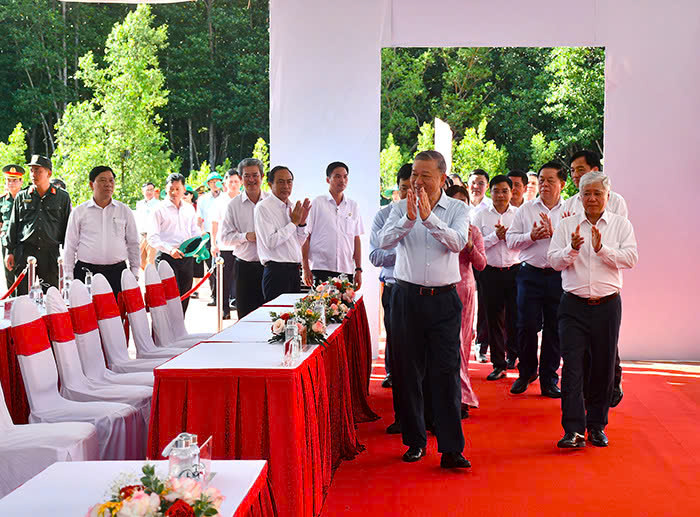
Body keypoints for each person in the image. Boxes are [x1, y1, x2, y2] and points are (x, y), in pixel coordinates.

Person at [380, 150, 471, 469]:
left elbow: (457, 242)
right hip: (406, 297)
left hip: (445, 300)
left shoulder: (458, 208)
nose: (417, 181)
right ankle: (415, 441)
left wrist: (429, 216)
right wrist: (408, 218)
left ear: (442, 179)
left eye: (425, 176)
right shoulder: (397, 207)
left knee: (446, 372)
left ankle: (451, 448)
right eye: (414, 175)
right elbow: (383, 243)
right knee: (407, 372)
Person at [549, 171, 638, 448]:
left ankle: (597, 425)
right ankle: (573, 430)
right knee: (573, 368)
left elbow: (631, 258)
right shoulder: (567, 226)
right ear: (579, 197)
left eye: (597, 193)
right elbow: (553, 260)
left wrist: (602, 249)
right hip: (572, 305)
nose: (591, 199)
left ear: (607, 196)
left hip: (607, 305)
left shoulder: (621, 225)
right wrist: (571, 250)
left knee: (603, 366)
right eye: (586, 193)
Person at [563, 150, 628, 407]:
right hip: (575, 285)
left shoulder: (616, 202)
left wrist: (601, 247)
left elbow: (620, 243)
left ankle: (610, 388)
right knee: (578, 355)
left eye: (580, 169)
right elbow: (562, 241)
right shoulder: (569, 204)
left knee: (606, 352)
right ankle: (580, 412)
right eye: (573, 171)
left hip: (604, 283)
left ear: (595, 170)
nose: (576, 175)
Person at [506, 162, 567, 398]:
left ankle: (549, 379)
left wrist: (555, 235)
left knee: (555, 328)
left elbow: (576, 244)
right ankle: (527, 372)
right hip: (529, 274)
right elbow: (511, 241)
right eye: (541, 179)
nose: (544, 184)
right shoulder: (526, 209)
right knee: (526, 325)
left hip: (559, 275)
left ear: (562, 184)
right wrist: (531, 236)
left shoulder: (571, 210)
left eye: (550, 180)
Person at [369, 163, 411, 432]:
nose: (410, 193)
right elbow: (376, 256)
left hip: (424, 290)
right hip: (395, 287)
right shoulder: (384, 216)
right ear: (398, 189)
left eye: (415, 187)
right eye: (405, 187)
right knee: (398, 347)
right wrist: (404, 253)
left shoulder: (433, 216)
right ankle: (402, 414)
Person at [63, 166, 140, 295]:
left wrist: (135, 272)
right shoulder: (80, 212)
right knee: (87, 314)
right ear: (91, 185)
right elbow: (70, 245)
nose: (108, 185)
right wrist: (69, 275)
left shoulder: (124, 210)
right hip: (86, 272)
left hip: (117, 273)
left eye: (111, 181)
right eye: (103, 180)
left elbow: (133, 243)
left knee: (117, 313)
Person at [473, 175, 521, 379]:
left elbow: (525, 241)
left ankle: (513, 356)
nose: (500, 195)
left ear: (512, 192)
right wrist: (496, 237)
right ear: (490, 192)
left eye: (504, 191)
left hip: (515, 271)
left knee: (514, 317)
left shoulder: (519, 214)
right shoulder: (480, 215)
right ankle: (498, 364)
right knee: (493, 319)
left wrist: (508, 237)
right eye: (496, 191)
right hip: (490, 272)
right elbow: (475, 243)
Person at [445, 184, 486, 416]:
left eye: (464, 202)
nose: (459, 207)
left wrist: (469, 245)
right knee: (450, 344)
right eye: (455, 202)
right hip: (444, 289)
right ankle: (453, 394)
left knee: (463, 344)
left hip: (466, 289)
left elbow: (481, 264)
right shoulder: (439, 229)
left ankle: (462, 395)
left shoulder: (474, 230)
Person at [5, 155, 71, 294]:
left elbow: (67, 228)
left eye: (38, 170)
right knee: (22, 296)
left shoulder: (62, 197)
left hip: (50, 254)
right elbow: (13, 225)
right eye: (32, 170)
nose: (34, 174)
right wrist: (9, 251)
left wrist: (68, 255)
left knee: (51, 296)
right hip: (25, 252)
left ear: (49, 173)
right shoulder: (22, 197)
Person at [302, 161, 364, 287]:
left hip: (345, 270)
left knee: (345, 306)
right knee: (321, 306)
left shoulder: (353, 206)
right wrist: (305, 268)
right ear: (328, 179)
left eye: (345, 176)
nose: (342, 180)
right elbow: (305, 237)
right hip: (321, 268)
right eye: (337, 176)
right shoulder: (317, 203)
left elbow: (356, 239)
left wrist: (358, 269)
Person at [219, 159, 268, 319]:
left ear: (262, 176)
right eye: (247, 176)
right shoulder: (233, 205)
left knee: (270, 319)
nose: (251, 180)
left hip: (269, 268)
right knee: (246, 317)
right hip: (244, 269)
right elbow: (224, 239)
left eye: (255, 175)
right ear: (241, 178)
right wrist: (245, 236)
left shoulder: (271, 203)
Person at [254, 166, 311, 303]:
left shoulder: (292, 206)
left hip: (293, 272)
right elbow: (270, 242)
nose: (286, 186)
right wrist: (293, 224)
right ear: (270, 184)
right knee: (277, 319)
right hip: (276, 273)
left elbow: (297, 243)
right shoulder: (263, 208)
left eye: (289, 182)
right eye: (280, 182)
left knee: (295, 320)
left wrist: (302, 224)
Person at [148, 173, 201, 313]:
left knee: (185, 295)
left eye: (178, 189)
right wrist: (170, 249)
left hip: (186, 256)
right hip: (166, 257)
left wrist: (200, 245)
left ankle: (180, 329)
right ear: (166, 188)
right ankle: (166, 332)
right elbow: (152, 237)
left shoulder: (189, 208)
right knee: (168, 298)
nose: (174, 192)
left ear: (184, 189)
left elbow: (194, 231)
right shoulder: (158, 209)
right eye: (171, 188)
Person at [211, 169, 242, 318]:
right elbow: (214, 224)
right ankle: (224, 309)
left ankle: (241, 308)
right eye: (231, 181)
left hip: (242, 246)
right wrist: (213, 243)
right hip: (224, 246)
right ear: (225, 183)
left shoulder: (244, 198)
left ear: (241, 182)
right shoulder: (219, 201)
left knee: (241, 280)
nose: (234, 184)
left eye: (236, 181)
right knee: (224, 280)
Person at [467, 169, 490, 362]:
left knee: (483, 305)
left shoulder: (490, 208)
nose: (476, 186)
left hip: (482, 261)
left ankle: (481, 345)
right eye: (473, 182)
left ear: (487, 186)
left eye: (481, 183)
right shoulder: (460, 206)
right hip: (461, 263)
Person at [563, 150, 628, 218]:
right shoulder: (568, 205)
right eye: (572, 170)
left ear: (595, 170)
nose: (575, 175)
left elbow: (620, 227)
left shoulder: (615, 201)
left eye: (581, 170)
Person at [197, 172, 223, 306]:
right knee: (211, 267)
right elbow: (199, 219)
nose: (215, 184)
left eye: (217, 181)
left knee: (226, 266)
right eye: (212, 182)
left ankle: (228, 297)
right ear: (208, 184)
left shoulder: (226, 197)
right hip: (208, 235)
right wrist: (201, 232)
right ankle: (215, 296)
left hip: (223, 235)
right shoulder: (203, 200)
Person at [0, 165, 24, 291]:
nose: (11, 183)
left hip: (22, 241)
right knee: (9, 276)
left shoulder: (27, 198)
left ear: (21, 181)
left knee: (22, 277)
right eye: (9, 180)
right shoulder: (2, 200)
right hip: (6, 243)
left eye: (15, 180)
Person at [135, 182, 159, 269]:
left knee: (151, 261)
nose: (150, 192)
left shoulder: (158, 204)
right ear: (143, 191)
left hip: (152, 236)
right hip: (141, 236)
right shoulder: (139, 204)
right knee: (141, 261)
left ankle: (151, 280)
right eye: (147, 190)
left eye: (152, 190)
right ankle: (146, 279)